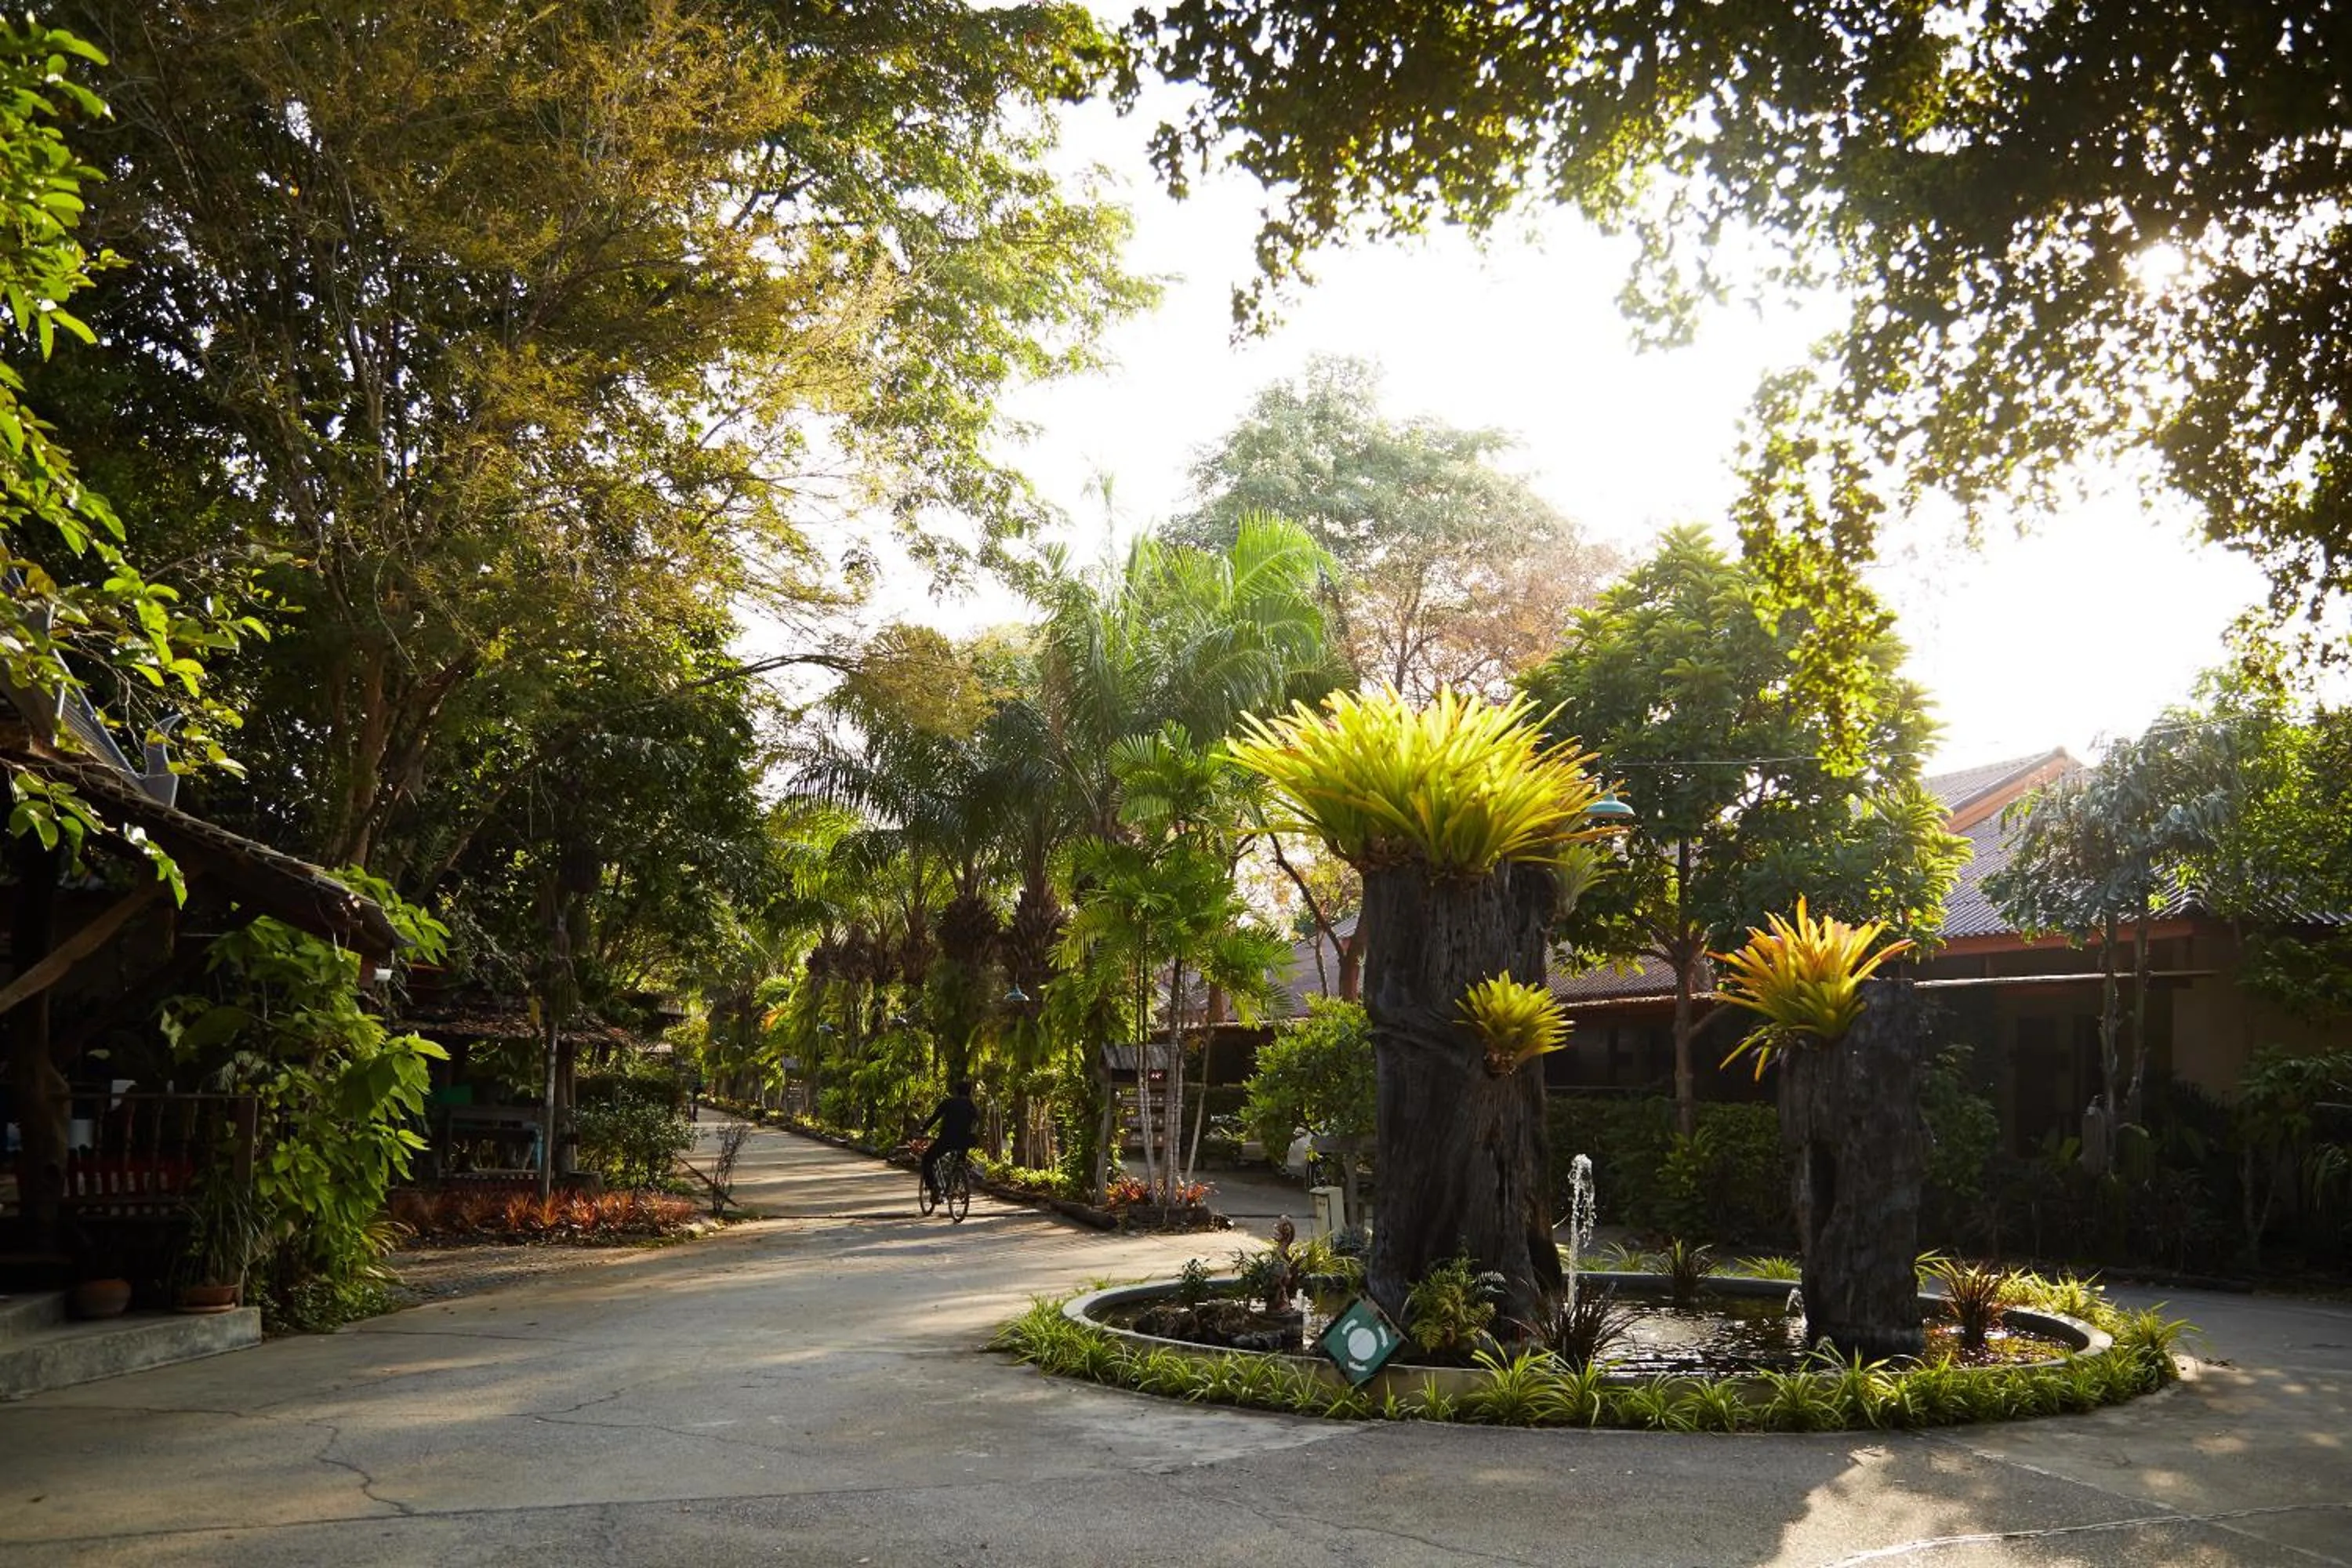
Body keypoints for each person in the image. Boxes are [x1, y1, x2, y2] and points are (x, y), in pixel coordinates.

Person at [918, 1080, 981, 1200]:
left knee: (927, 1159)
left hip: (947, 1139)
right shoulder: (972, 1106)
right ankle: (957, 1186)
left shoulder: (948, 1103)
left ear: (956, 1091)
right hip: (966, 1140)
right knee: (960, 1161)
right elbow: (977, 1123)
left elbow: (934, 1118)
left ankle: (933, 1188)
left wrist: (922, 1131)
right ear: (970, 1092)